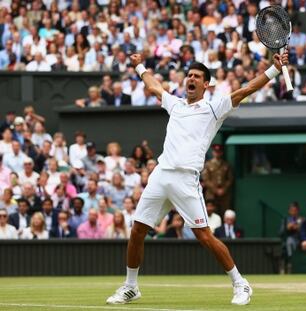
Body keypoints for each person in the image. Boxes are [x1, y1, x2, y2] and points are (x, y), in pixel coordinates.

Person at [106, 51, 288, 305]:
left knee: (204, 236)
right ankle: (130, 286)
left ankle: (241, 283)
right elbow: (154, 85)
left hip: (186, 180)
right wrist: (138, 66)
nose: (191, 79)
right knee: (137, 231)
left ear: (206, 84)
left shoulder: (214, 108)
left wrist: (274, 70)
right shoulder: (175, 104)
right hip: (161, 175)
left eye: (197, 76)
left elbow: (246, 89)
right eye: (189, 75)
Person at [202, 144, 234, 216]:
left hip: (224, 194)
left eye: (219, 152)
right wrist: (215, 190)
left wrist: (223, 189)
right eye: (215, 151)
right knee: (211, 212)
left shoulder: (226, 165)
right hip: (211, 194)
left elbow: (230, 179)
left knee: (224, 212)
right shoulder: (208, 165)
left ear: (222, 153)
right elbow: (205, 179)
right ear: (213, 152)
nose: (217, 153)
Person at [279, 202, 304, 269]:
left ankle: (292, 261)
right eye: (291, 210)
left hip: (300, 240)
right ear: (289, 211)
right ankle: (291, 260)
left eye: (295, 210)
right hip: (287, 241)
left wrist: (299, 228)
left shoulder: (302, 220)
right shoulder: (285, 220)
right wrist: (287, 228)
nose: (293, 212)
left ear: (298, 211)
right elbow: (280, 233)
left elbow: (304, 232)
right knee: (290, 240)